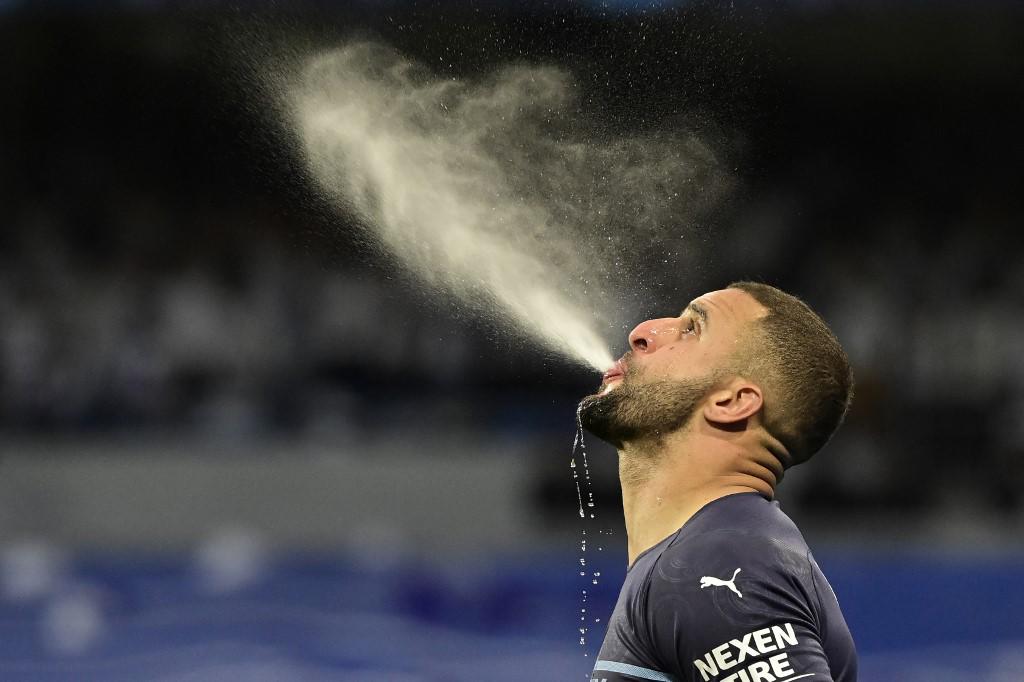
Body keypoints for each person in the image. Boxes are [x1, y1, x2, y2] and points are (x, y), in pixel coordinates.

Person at [580, 281, 857, 682]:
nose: (642, 332)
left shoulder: (716, 561)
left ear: (732, 402)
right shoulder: (717, 548)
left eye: (691, 328)